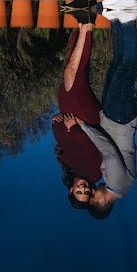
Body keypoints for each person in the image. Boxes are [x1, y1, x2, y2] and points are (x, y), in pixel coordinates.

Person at [78, 16, 137, 219]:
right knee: (126, 67)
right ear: (102, 201)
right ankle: (128, 20)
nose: (93, 190)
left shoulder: (116, 184)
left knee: (116, 65)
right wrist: (85, 127)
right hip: (119, 119)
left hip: (115, 117)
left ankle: (117, 18)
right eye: (94, 196)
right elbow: (109, 152)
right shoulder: (117, 184)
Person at [52, 12, 102, 209]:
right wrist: (76, 127)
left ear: (71, 190)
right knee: (73, 73)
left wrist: (56, 123)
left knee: (73, 67)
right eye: (86, 192)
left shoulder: (66, 164)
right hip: (86, 118)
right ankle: (87, 26)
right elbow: (94, 144)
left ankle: (82, 22)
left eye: (79, 192)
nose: (83, 188)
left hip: (69, 113)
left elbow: (60, 137)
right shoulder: (95, 173)